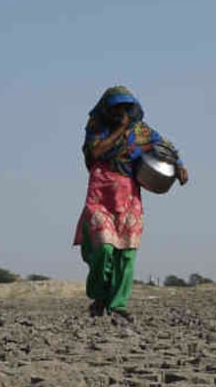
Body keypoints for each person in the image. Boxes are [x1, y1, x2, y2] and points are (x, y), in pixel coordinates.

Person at [74, 86, 188, 322]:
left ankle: (117, 304)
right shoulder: (97, 127)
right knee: (103, 248)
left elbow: (166, 148)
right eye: (116, 108)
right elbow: (96, 151)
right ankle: (99, 296)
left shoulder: (142, 130)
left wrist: (179, 167)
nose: (121, 112)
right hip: (101, 192)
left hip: (128, 195)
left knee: (126, 252)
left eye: (125, 108)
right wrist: (120, 130)